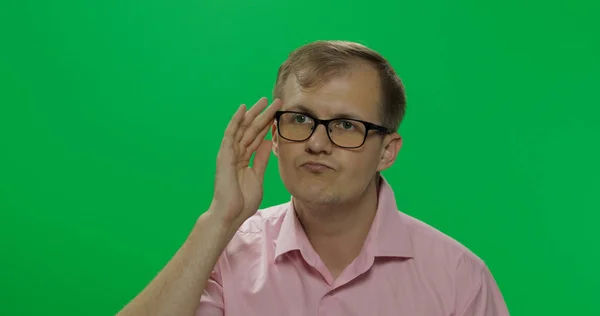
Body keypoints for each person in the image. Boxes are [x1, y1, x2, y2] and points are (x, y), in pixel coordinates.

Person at [117, 40, 510, 316]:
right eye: (301, 119)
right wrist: (219, 218)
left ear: (387, 151)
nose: (317, 143)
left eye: (345, 124)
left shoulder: (459, 278)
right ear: (274, 136)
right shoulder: (226, 256)